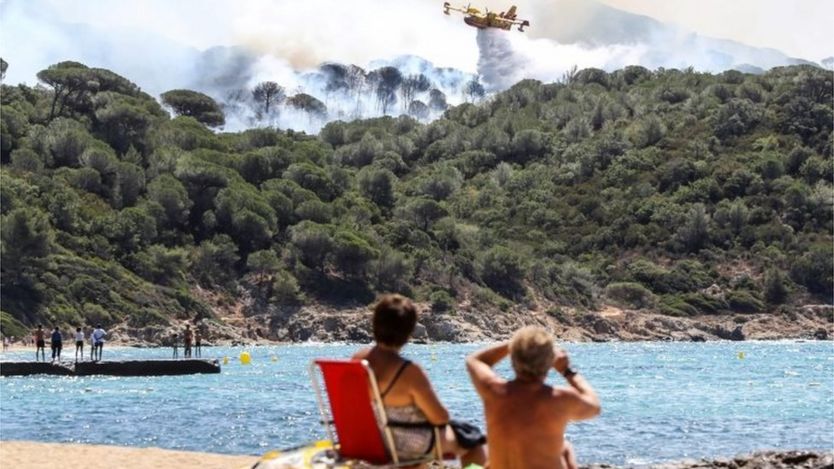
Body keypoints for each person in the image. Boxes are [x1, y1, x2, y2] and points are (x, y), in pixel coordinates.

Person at [352, 294, 486, 466]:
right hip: (407, 444)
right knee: (472, 439)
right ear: (408, 331)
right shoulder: (409, 371)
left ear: (375, 323)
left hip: (373, 439)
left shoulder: (358, 360)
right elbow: (440, 418)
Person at [466, 326, 601, 469]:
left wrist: (516, 343)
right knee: (566, 448)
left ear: (513, 357)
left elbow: (474, 361)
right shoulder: (559, 398)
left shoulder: (494, 391)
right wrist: (567, 371)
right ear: (550, 361)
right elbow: (594, 406)